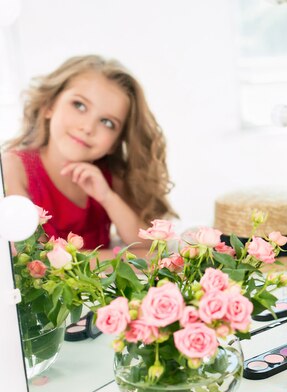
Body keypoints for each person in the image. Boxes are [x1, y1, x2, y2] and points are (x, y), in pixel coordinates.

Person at [2, 55, 177, 250]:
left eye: (107, 122)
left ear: (115, 143)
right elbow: (34, 259)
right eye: (79, 105)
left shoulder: (107, 177)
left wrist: (108, 198)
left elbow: (147, 246)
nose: (88, 127)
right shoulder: (13, 168)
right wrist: (119, 261)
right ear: (49, 105)